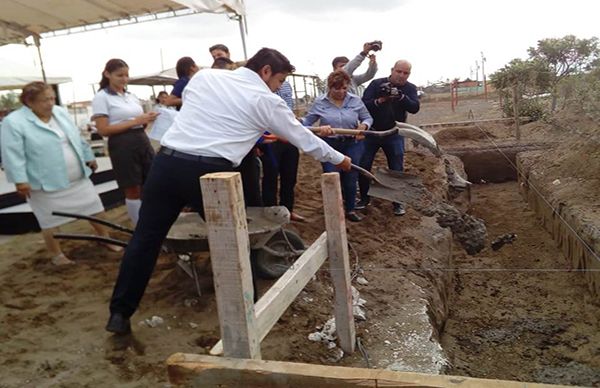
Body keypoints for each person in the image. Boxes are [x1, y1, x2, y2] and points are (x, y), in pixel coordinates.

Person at [105, 48, 351, 335]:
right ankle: (252, 308)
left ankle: (119, 314)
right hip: (211, 174)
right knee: (235, 239)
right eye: (278, 80)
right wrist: (340, 159)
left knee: (145, 240)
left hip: (167, 163)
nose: (278, 87)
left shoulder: (205, 78)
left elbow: (216, 115)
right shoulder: (265, 100)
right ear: (266, 71)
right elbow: (302, 138)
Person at [1, 82, 121, 265]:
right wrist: (20, 180)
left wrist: (89, 156)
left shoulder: (60, 112)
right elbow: (12, 153)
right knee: (49, 220)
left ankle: (104, 238)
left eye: (51, 98)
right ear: (29, 102)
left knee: (95, 208)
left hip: (77, 178)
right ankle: (57, 255)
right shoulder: (14, 122)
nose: (50, 103)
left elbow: (76, 137)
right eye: (44, 100)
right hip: (44, 182)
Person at [92, 59, 158, 226]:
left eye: (126, 75)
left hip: (140, 139)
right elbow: (103, 130)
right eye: (119, 75)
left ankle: (153, 222)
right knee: (132, 188)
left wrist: (145, 120)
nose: (124, 79)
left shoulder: (130, 96)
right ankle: (139, 227)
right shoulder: (102, 97)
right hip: (122, 144)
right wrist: (135, 121)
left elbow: (138, 121)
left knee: (151, 183)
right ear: (107, 74)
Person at [302, 70, 373, 222]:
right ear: (330, 87)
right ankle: (333, 209)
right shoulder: (320, 103)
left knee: (350, 175)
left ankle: (350, 209)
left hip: (352, 143)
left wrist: (364, 126)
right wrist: (319, 131)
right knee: (331, 175)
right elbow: (307, 123)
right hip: (330, 144)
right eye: (337, 88)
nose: (341, 92)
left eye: (344, 88)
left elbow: (367, 117)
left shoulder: (355, 101)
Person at [357, 60, 420, 216]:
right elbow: (363, 105)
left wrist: (400, 97)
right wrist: (380, 100)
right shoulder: (376, 84)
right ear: (392, 70)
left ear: (409, 74)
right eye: (399, 71)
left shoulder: (410, 88)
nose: (401, 75)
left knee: (396, 167)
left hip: (394, 133)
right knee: (364, 164)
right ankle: (364, 198)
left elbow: (415, 108)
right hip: (372, 132)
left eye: (405, 73)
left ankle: (397, 203)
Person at [260, 80, 305, 221]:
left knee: (290, 176)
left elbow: (289, 110)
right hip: (270, 138)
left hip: (289, 136)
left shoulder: (286, 85)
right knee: (270, 176)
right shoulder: (261, 86)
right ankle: (271, 212)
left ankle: (288, 210)